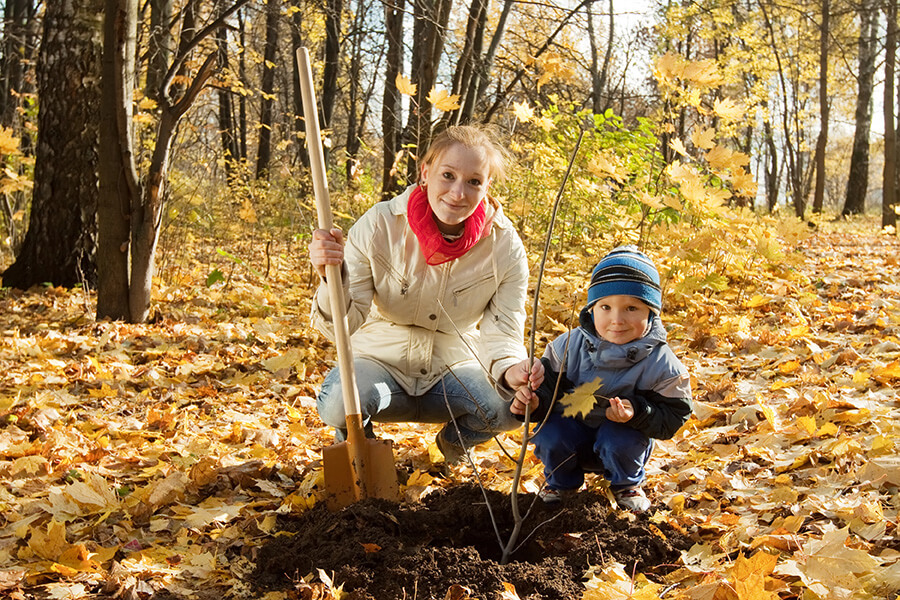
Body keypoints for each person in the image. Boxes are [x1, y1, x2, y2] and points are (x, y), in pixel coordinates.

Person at [309, 125, 543, 464]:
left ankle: (450, 446)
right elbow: (339, 327)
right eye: (447, 175)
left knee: (509, 408)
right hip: (378, 361)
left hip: (453, 367)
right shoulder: (380, 224)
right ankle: (363, 457)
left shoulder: (504, 247)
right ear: (426, 172)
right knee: (339, 404)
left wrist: (510, 372)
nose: (458, 192)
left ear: (487, 186)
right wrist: (332, 279)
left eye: (474, 181)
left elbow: (503, 330)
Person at [512, 245, 692, 512]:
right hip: (571, 432)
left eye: (632, 308)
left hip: (621, 443)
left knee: (619, 438)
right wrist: (532, 404)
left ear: (651, 313)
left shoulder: (662, 364)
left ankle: (626, 485)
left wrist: (639, 412)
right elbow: (547, 390)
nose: (617, 319)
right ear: (591, 309)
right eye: (605, 307)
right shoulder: (567, 347)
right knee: (551, 433)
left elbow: (674, 415)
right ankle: (561, 484)